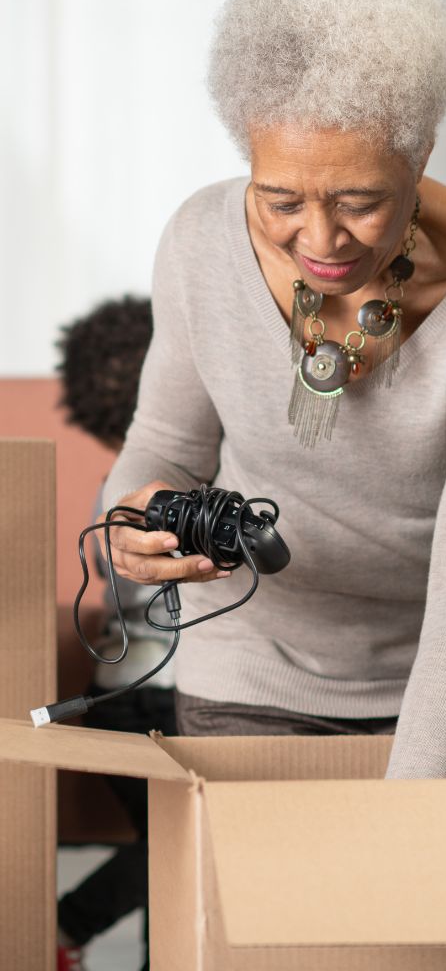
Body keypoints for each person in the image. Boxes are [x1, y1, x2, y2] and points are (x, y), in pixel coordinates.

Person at [101, 0, 446, 778]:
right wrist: (130, 526)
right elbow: (161, 452)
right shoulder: (198, 243)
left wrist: (399, 831)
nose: (320, 242)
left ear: (420, 153)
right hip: (252, 682)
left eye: (360, 201)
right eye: (280, 200)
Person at [55, 296, 176, 971]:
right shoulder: (180, 485)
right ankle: (64, 924)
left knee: (172, 843)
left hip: (117, 692)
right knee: (184, 840)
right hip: (169, 697)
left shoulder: (115, 484)